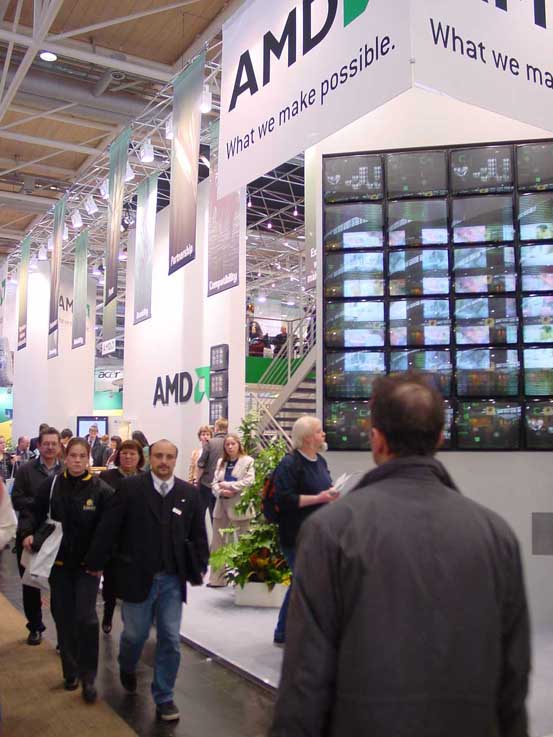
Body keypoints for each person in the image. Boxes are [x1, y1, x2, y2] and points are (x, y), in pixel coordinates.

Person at [270, 374, 531, 737]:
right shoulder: (496, 535)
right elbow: (513, 678)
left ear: (377, 440)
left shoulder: (330, 532)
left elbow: (305, 679)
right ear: (439, 438)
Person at [110, 439, 208, 722]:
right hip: (137, 576)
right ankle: (127, 665)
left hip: (172, 580)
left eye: (169, 457)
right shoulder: (130, 489)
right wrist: (100, 564)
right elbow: (112, 528)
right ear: (149, 458)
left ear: (175, 459)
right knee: (135, 635)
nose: (163, 461)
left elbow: (198, 534)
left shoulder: (188, 494)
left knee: (170, 638)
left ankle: (164, 696)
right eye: (158, 456)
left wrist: (200, 564)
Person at [19, 437, 118, 704]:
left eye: (82, 456)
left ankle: (89, 677)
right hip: (58, 564)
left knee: (86, 619)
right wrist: (27, 532)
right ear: (65, 457)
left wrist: (99, 561)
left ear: (88, 458)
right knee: (62, 617)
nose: (77, 460)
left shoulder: (102, 490)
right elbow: (32, 512)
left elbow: (108, 531)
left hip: (87, 568)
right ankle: (70, 672)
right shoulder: (51, 485)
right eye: (72, 455)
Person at [272, 416, 337, 645]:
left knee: (307, 581)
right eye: (319, 431)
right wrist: (319, 498)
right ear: (307, 438)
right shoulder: (290, 464)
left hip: (317, 533)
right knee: (302, 580)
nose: (323, 434)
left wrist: (331, 494)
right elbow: (284, 499)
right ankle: (283, 631)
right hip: (295, 535)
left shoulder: (320, 461)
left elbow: (324, 487)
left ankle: (296, 629)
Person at [12, 426, 63, 644]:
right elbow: (17, 500)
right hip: (30, 533)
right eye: (46, 443)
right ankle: (35, 627)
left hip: (58, 537)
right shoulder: (26, 470)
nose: (50, 447)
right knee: (30, 584)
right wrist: (42, 504)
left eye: (54, 443)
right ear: (39, 446)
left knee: (60, 588)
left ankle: (63, 635)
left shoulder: (66, 470)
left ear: (59, 446)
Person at [99, 439, 145, 634]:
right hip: (113, 537)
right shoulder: (107, 476)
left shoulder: (145, 478)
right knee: (111, 580)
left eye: (132, 453)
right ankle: (108, 613)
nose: (128, 457)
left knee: (134, 580)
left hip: (136, 538)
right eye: (124, 453)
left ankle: (132, 620)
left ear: (139, 457)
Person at [208, 434, 255, 587]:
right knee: (218, 543)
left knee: (244, 542)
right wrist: (220, 491)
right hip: (221, 505)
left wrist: (229, 486)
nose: (230, 447)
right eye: (227, 444)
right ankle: (217, 579)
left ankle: (246, 578)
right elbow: (214, 483)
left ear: (238, 445)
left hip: (239, 505)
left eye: (233, 444)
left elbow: (249, 481)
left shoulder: (248, 461)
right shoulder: (221, 462)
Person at [197, 417, 228, 520]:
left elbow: (201, 464)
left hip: (207, 483)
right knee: (218, 514)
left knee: (201, 512)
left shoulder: (210, 443)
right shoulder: (232, 442)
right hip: (226, 484)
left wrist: (197, 480)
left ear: (216, 428)